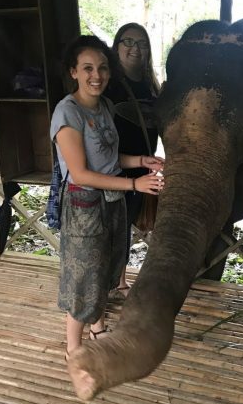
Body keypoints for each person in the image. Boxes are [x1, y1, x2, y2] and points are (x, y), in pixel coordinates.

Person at [51, 35, 164, 358]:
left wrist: (141, 161)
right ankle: (74, 348)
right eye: (87, 68)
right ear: (73, 71)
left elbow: (109, 158)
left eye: (102, 68)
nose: (96, 75)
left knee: (105, 269)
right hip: (84, 205)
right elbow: (82, 172)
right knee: (83, 276)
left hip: (110, 203)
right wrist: (134, 185)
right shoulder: (67, 113)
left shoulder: (105, 107)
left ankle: (97, 329)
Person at [104, 23, 161, 298]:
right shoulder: (108, 86)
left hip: (141, 166)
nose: (135, 49)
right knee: (111, 226)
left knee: (124, 225)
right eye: (128, 41)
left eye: (142, 43)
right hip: (112, 166)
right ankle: (106, 284)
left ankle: (120, 281)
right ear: (116, 47)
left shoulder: (151, 86)